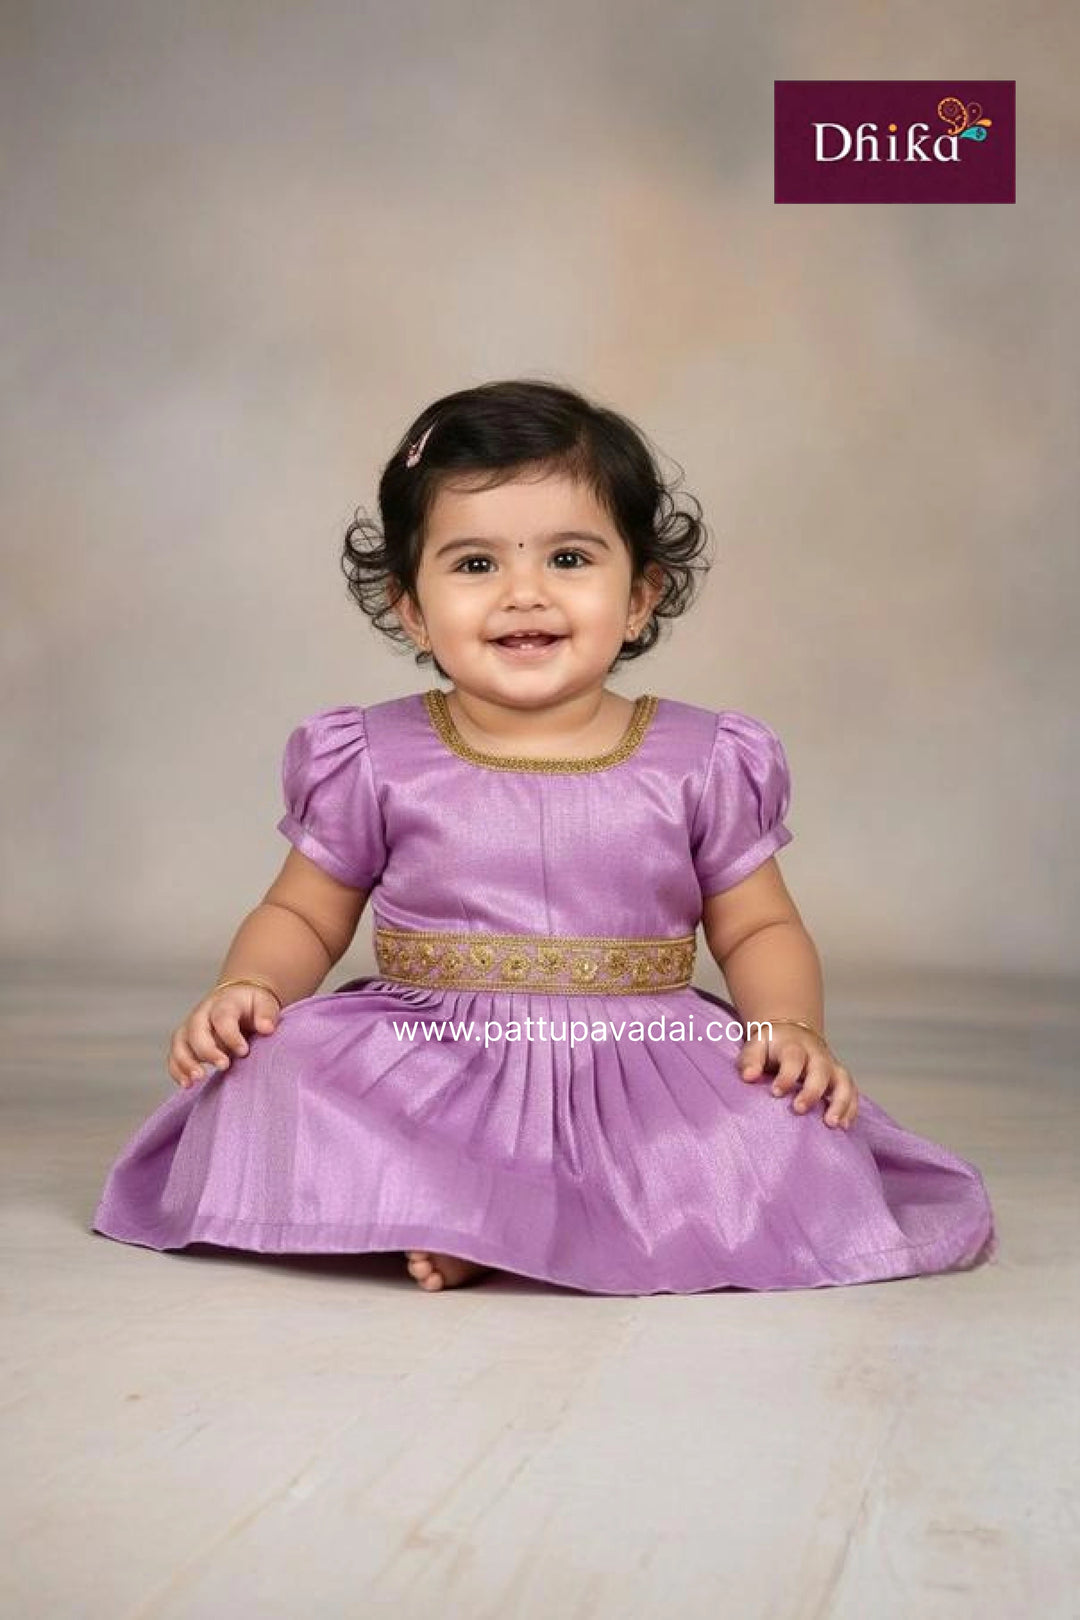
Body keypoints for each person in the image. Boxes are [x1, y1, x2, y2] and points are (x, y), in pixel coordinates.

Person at [92, 378, 998, 1295]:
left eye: (569, 559)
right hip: (429, 1055)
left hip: (639, 1062)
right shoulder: (373, 755)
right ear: (411, 606)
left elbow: (756, 927)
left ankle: (464, 1218)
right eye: (475, 565)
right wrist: (247, 986)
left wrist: (788, 1027)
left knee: (777, 1120)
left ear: (641, 594)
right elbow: (304, 911)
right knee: (274, 1069)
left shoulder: (701, 757)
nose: (523, 594)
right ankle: (454, 1209)